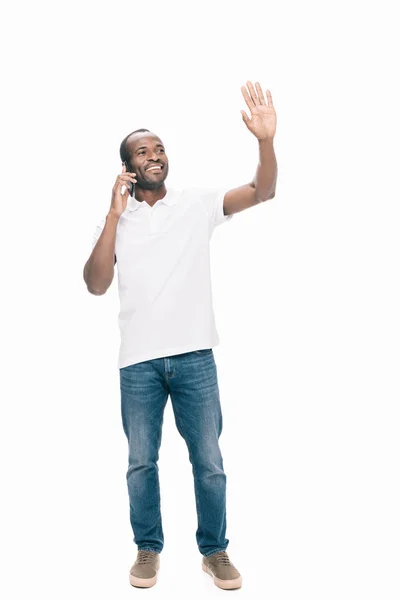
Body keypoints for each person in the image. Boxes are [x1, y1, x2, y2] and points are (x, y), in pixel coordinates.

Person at [83, 80, 278, 590]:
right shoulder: (118, 223)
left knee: (209, 461)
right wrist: (112, 213)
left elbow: (263, 191)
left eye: (160, 148)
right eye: (142, 151)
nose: (155, 155)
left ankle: (215, 551)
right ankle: (147, 549)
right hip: (138, 364)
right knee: (140, 463)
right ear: (127, 166)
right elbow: (95, 284)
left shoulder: (197, 204)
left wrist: (264, 141)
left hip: (194, 358)